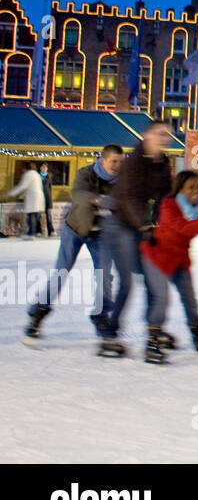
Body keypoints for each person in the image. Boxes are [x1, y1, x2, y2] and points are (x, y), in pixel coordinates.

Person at [25, 145, 124, 353]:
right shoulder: (86, 173)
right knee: (61, 273)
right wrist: (97, 199)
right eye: (114, 161)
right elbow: (77, 193)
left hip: (101, 235)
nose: (117, 166)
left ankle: (101, 316)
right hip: (75, 229)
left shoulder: (122, 181)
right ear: (103, 160)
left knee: (105, 275)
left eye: (120, 161)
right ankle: (38, 313)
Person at [139, 171, 198, 362]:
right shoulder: (169, 205)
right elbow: (183, 228)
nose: (196, 191)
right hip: (158, 256)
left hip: (180, 258)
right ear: (180, 189)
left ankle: (197, 335)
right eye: (191, 187)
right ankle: (152, 341)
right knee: (161, 298)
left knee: (189, 297)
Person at [115, 121, 174, 344]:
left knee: (154, 281)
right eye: (159, 134)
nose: (164, 138)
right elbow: (129, 198)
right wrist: (145, 224)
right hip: (126, 225)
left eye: (167, 134)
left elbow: (166, 196)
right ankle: (111, 328)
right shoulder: (133, 163)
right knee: (127, 283)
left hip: (148, 226)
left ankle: (154, 328)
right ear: (146, 135)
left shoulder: (163, 162)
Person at [8, 164, 46, 241]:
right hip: (37, 197)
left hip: (33, 198)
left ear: (26, 168)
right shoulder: (36, 175)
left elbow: (23, 186)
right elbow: (30, 186)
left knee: (31, 216)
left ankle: (31, 233)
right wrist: (21, 196)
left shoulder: (28, 175)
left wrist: (11, 193)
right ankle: (32, 232)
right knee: (34, 216)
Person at [39, 163, 53, 237]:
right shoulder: (38, 177)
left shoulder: (49, 177)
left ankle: (51, 231)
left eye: (45, 167)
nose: (44, 168)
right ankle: (39, 231)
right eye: (43, 167)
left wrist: (50, 201)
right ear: (40, 168)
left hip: (47, 199)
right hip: (39, 199)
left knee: (48, 216)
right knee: (38, 216)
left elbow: (50, 189)